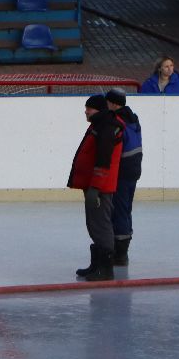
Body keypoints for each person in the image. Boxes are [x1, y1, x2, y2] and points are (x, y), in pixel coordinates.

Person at [67, 94, 123, 282]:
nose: (85, 111)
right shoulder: (98, 125)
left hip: (100, 187)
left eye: (89, 108)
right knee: (94, 224)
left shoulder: (106, 128)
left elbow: (103, 161)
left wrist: (96, 188)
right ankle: (97, 265)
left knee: (101, 224)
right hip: (94, 185)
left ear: (97, 110)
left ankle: (105, 269)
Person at [104, 89, 142, 266]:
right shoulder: (133, 119)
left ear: (112, 103)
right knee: (125, 209)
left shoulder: (116, 121)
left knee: (119, 210)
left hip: (121, 171)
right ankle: (122, 249)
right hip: (133, 170)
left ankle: (119, 253)